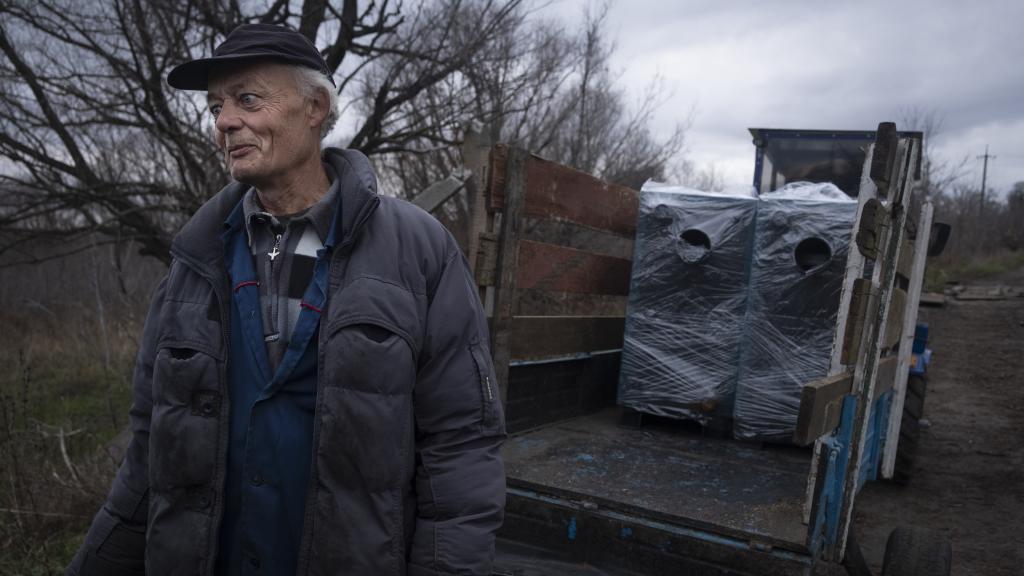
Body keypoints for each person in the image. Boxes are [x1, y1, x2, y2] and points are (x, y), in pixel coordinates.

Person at [67, 23, 506, 576]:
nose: (225, 122)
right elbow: (150, 448)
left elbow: (461, 444)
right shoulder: (195, 259)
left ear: (315, 107)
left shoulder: (418, 251)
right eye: (216, 107)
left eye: (247, 99)